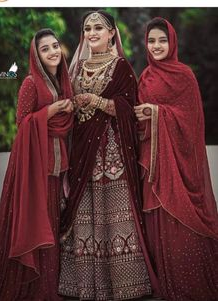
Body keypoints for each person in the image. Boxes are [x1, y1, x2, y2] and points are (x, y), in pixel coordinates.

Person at [58, 10, 160, 301]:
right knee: (84, 212)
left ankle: (125, 285)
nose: (92, 34)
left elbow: (128, 108)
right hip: (82, 154)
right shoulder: (76, 69)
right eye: (87, 28)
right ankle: (85, 286)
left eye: (98, 29)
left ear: (112, 32)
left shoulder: (122, 67)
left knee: (115, 212)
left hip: (113, 154)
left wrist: (96, 100)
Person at [0, 28, 73, 300]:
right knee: (37, 223)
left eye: (55, 46)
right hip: (36, 170)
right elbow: (22, 125)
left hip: (57, 169)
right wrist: (51, 111)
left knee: (53, 225)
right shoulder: (30, 83)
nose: (52, 51)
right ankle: (31, 290)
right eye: (45, 48)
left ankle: (48, 287)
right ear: (36, 54)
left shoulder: (61, 83)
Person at [134, 17, 218, 301]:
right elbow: (139, 119)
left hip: (180, 166)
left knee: (182, 221)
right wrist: (146, 116)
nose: (156, 46)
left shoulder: (184, 75)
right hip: (154, 161)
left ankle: (189, 282)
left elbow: (192, 121)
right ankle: (166, 281)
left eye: (162, 40)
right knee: (158, 221)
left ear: (172, 43)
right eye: (151, 41)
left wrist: (156, 112)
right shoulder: (145, 76)